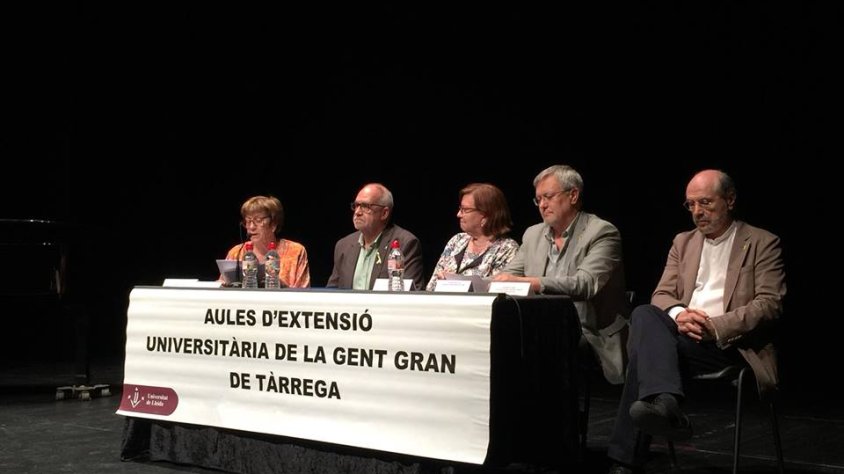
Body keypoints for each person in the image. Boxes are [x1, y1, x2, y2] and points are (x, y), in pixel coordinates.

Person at [606, 170, 786, 474]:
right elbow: (662, 293)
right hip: (680, 336)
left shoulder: (762, 242)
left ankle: (629, 456)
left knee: (643, 350)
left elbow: (769, 304)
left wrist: (714, 326)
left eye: (705, 202)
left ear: (729, 200)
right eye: (690, 205)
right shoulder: (683, 241)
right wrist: (679, 314)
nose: (697, 212)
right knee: (644, 314)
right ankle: (665, 403)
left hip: (728, 344)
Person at [493, 164, 629, 384]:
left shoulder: (602, 232)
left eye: (548, 196)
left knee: (535, 345)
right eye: (538, 200)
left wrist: (532, 283)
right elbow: (507, 276)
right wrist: (469, 283)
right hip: (540, 326)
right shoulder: (533, 234)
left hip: (590, 333)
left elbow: (584, 284)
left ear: (573, 195)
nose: (543, 205)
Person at [327, 183, 424, 290]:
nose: (357, 212)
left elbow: (412, 295)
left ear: (384, 213)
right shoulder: (343, 246)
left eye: (365, 206)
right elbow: (332, 291)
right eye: (356, 205)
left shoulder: (406, 243)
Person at [426, 183, 519, 291]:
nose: (458, 214)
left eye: (465, 210)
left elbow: (496, 291)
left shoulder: (506, 248)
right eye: (460, 208)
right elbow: (431, 287)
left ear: (485, 214)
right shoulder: (457, 240)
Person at [224, 195, 311, 288]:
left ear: (273, 224)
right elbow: (222, 285)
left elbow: (304, 293)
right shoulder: (236, 253)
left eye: (258, 220)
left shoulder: (295, 251)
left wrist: (282, 287)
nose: (251, 227)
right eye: (248, 221)